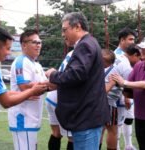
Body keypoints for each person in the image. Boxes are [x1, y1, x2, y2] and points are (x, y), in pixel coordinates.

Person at [45, 12, 110, 150]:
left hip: (86, 117)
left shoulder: (85, 45)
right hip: (87, 116)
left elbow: (76, 74)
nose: (63, 34)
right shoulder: (89, 43)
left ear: (77, 27)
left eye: (64, 30)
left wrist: (54, 75)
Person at [7, 29, 47, 150]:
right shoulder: (21, 61)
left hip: (31, 117)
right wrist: (50, 84)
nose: (38, 45)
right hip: (23, 118)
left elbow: (43, 83)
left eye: (39, 42)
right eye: (34, 42)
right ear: (24, 44)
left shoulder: (35, 64)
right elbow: (24, 86)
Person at [46, 47, 74, 150]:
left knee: (56, 133)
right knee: (72, 137)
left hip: (51, 97)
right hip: (61, 99)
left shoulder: (72, 52)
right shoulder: (81, 53)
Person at [114, 27, 136, 150]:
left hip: (128, 92)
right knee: (117, 124)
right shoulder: (116, 56)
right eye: (130, 39)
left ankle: (128, 145)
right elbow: (116, 78)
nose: (133, 42)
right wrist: (125, 96)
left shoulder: (128, 54)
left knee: (129, 119)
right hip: (120, 95)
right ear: (122, 40)